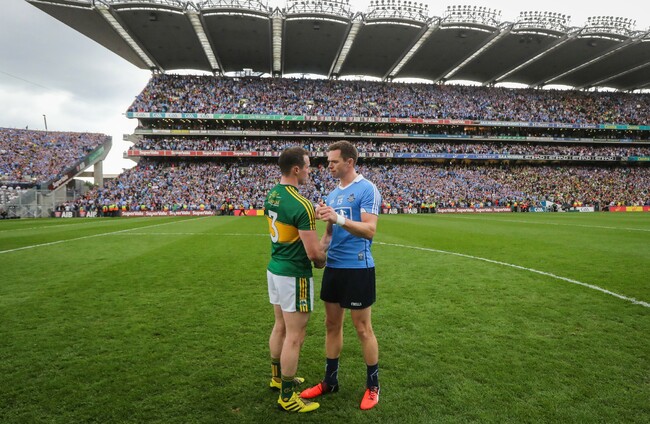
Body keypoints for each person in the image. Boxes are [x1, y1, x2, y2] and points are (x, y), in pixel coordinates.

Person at [301, 140, 382, 410]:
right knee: (331, 325)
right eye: (328, 161)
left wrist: (338, 218)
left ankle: (373, 386)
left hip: (358, 268)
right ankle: (330, 381)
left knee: (363, 329)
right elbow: (329, 236)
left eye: (334, 161)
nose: (329, 166)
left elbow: (370, 230)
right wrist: (315, 253)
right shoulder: (333, 194)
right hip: (334, 268)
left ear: (349, 162)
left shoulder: (367, 189)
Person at [265, 146, 326, 413]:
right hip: (293, 274)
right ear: (296, 169)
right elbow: (314, 254)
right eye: (308, 166)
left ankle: (277, 378)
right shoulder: (301, 204)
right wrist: (323, 259)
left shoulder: (272, 194)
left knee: (280, 326)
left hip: (275, 269)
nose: (310, 171)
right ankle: (288, 397)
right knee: (295, 335)